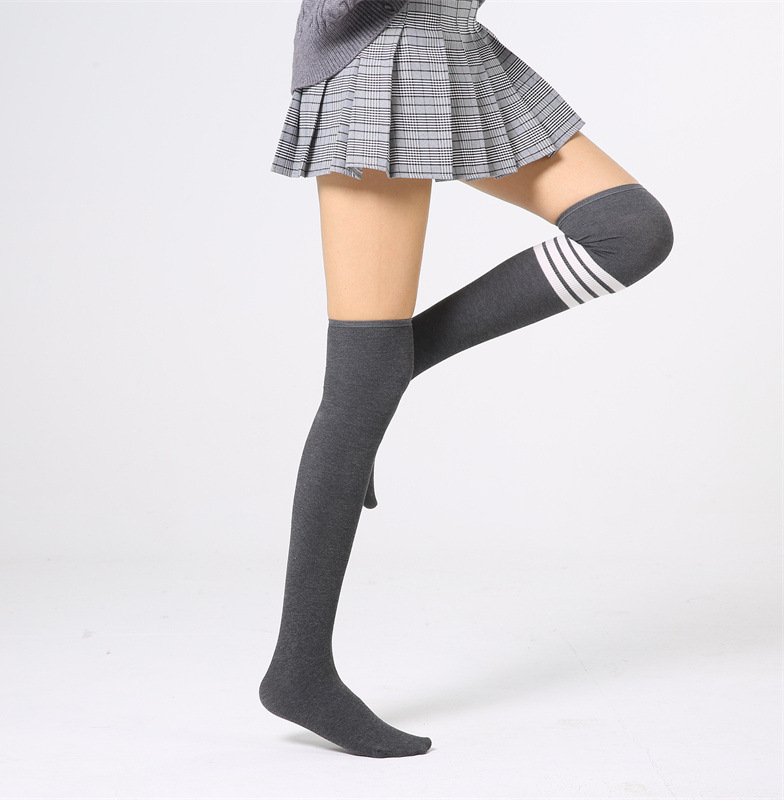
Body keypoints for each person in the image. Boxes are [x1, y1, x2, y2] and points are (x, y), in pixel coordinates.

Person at [259, 0, 675, 759]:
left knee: (629, 230)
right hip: (381, 59)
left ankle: (387, 377)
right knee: (362, 374)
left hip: (457, 47)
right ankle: (300, 669)